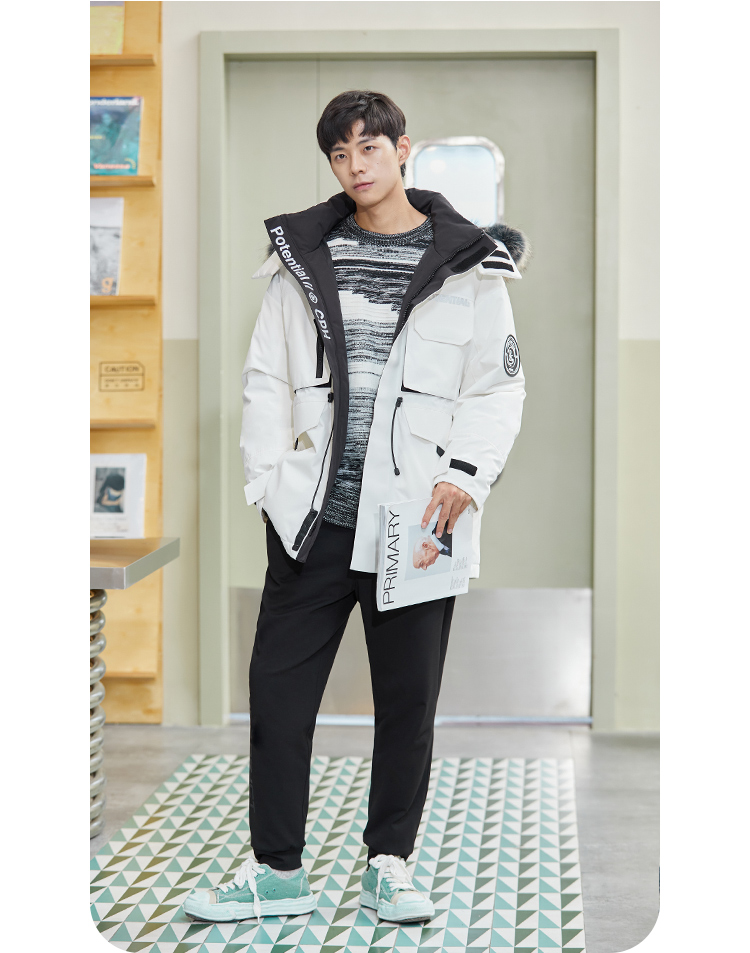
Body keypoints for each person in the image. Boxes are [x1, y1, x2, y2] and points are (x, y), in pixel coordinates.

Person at [183, 89, 528, 925]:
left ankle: (389, 863)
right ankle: (277, 870)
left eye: (369, 147)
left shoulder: (469, 266)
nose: (355, 166)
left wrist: (466, 476)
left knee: (408, 702)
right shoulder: (303, 260)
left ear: (403, 150)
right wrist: (269, 483)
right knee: (276, 695)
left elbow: (496, 386)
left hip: (415, 524)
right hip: (312, 523)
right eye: (339, 154)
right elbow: (265, 379)